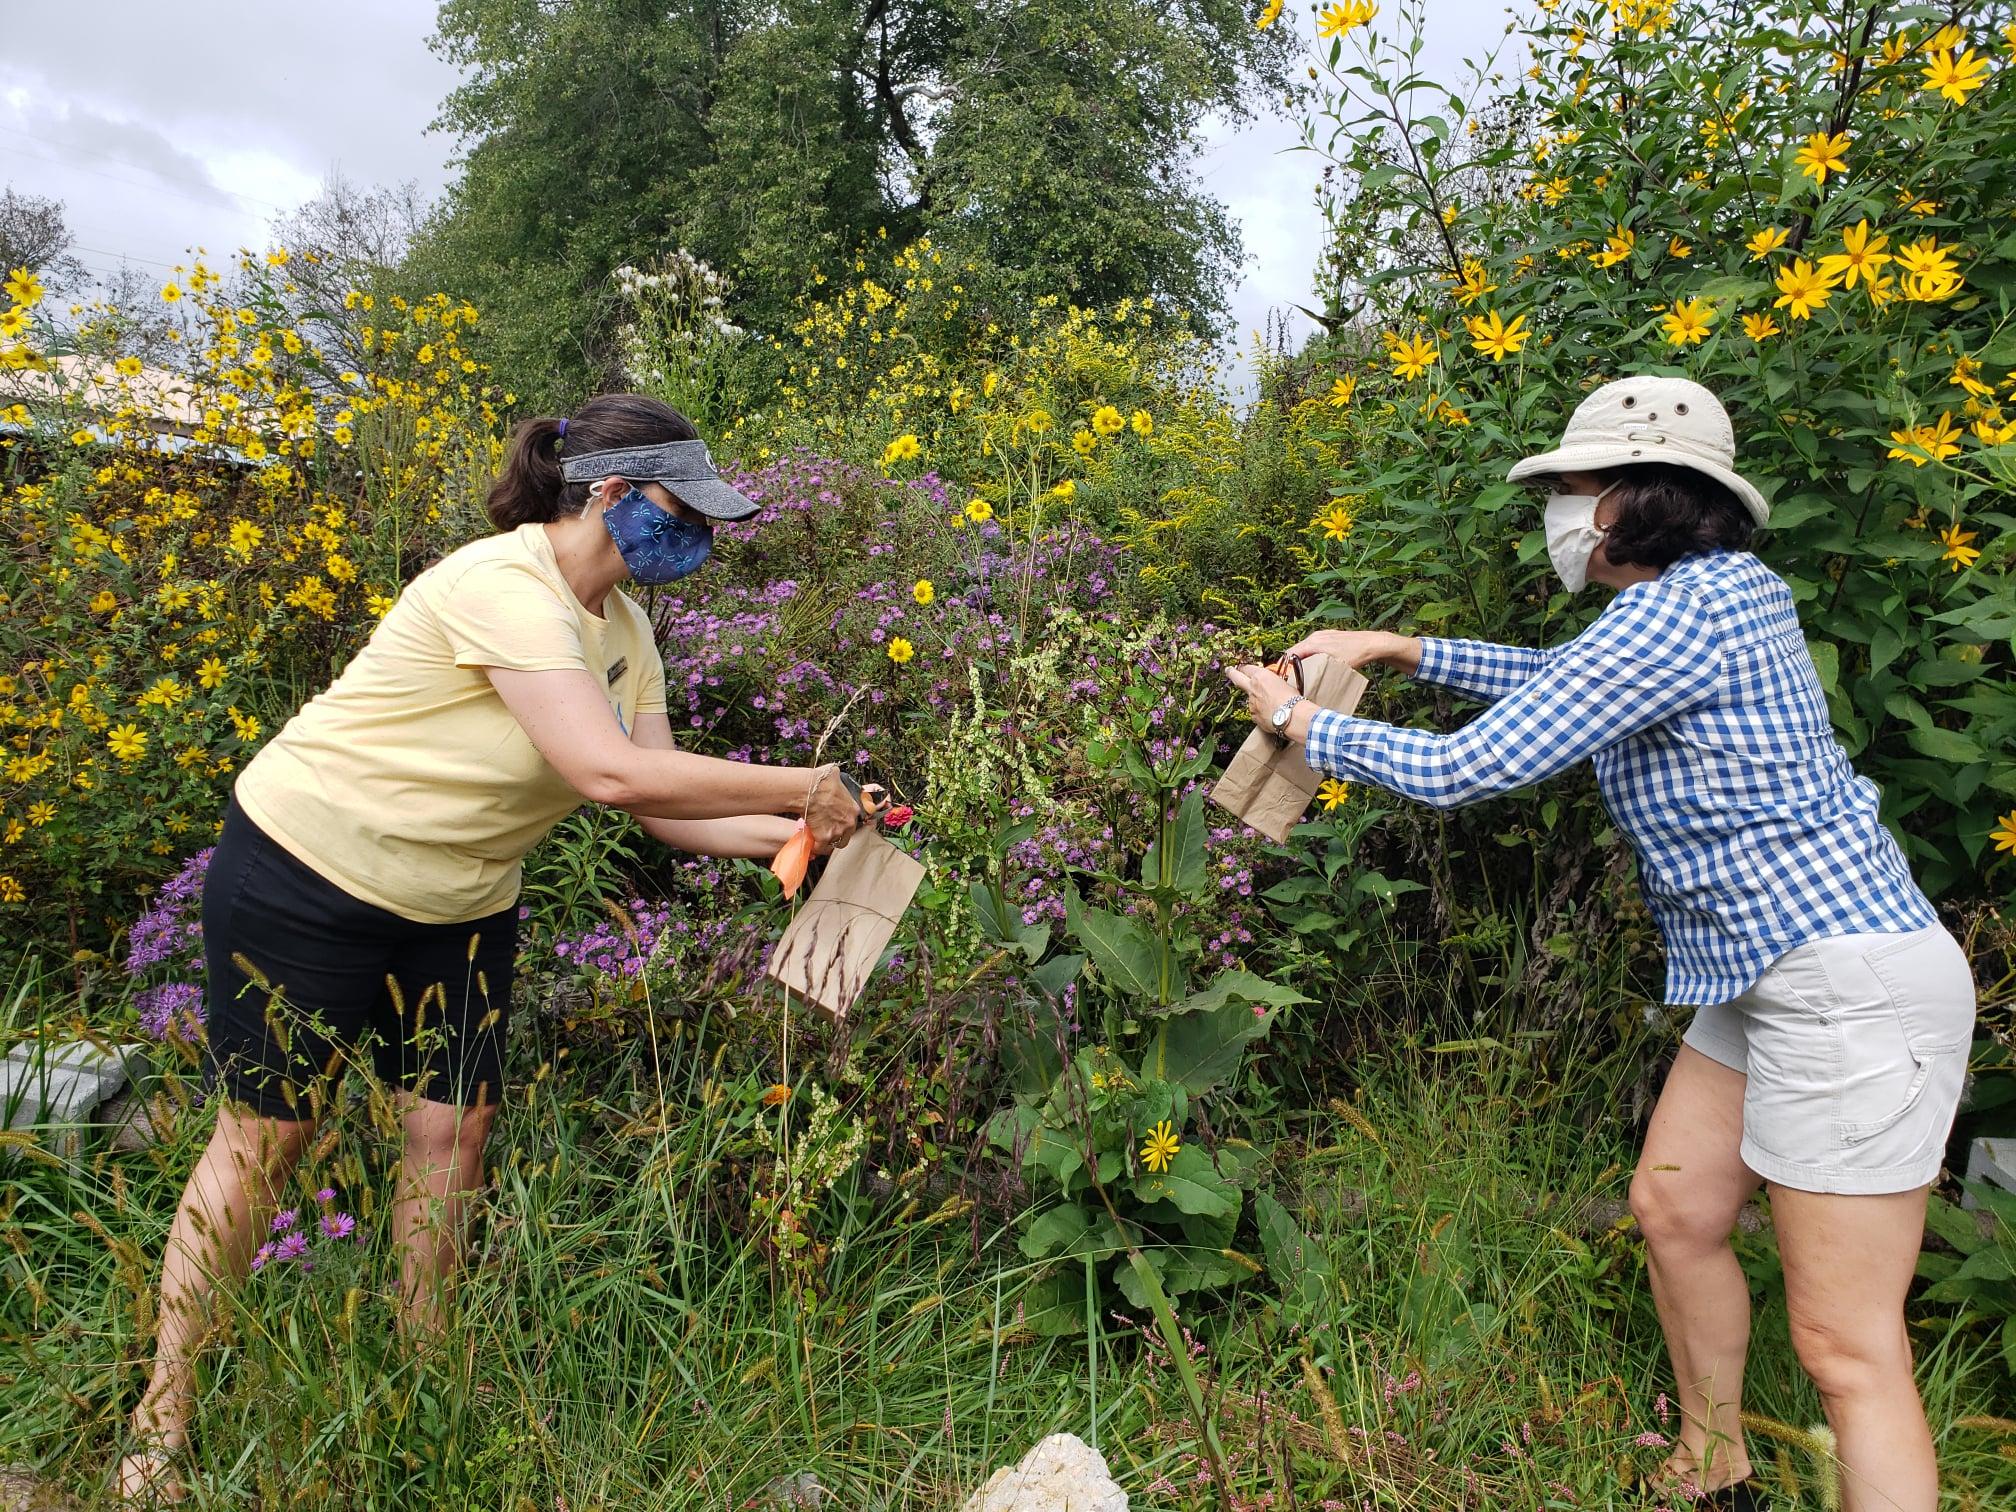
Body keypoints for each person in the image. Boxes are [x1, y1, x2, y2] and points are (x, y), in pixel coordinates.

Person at [1228, 376, 1975, 1512]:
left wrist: (1298, 721)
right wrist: (1405, 650)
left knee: (1847, 1351)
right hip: (1775, 972)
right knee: (1675, 1212)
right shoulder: (1703, 603)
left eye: (1571, 490)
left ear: (1642, 498)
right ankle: (1712, 1470)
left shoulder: (1686, 612)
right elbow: (1563, 686)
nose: (1558, 516)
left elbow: (1464, 770)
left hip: (1846, 985)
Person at [117, 393, 868, 1501]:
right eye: (682, 512)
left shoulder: (628, 630)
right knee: (267, 1139)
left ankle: (429, 1384)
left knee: (453, 1130)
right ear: (610, 494)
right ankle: (160, 1424)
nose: (699, 539)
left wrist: (805, 833)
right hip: (308, 868)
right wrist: (804, 783)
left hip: (461, 897)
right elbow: (608, 772)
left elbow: (663, 814)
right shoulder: (501, 587)